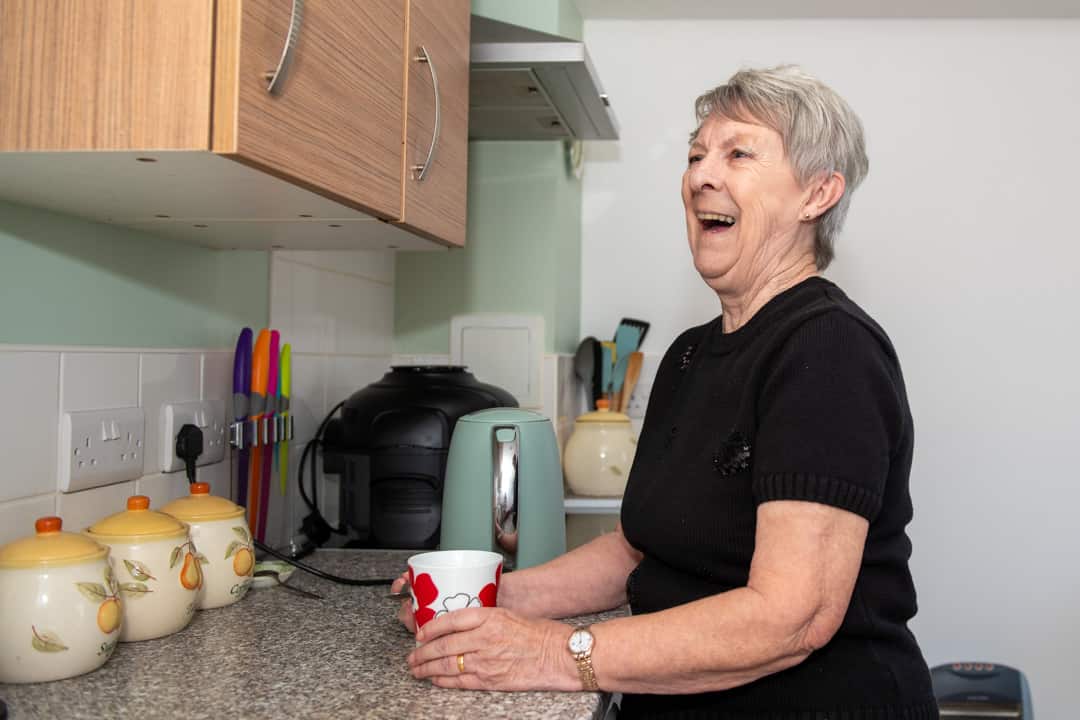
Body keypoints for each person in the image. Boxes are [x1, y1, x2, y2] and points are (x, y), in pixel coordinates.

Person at [394, 65, 939, 719]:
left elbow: (792, 618)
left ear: (816, 194)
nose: (700, 175)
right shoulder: (688, 354)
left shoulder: (828, 351)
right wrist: (492, 598)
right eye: (695, 155)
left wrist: (557, 653)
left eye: (738, 153)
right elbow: (636, 547)